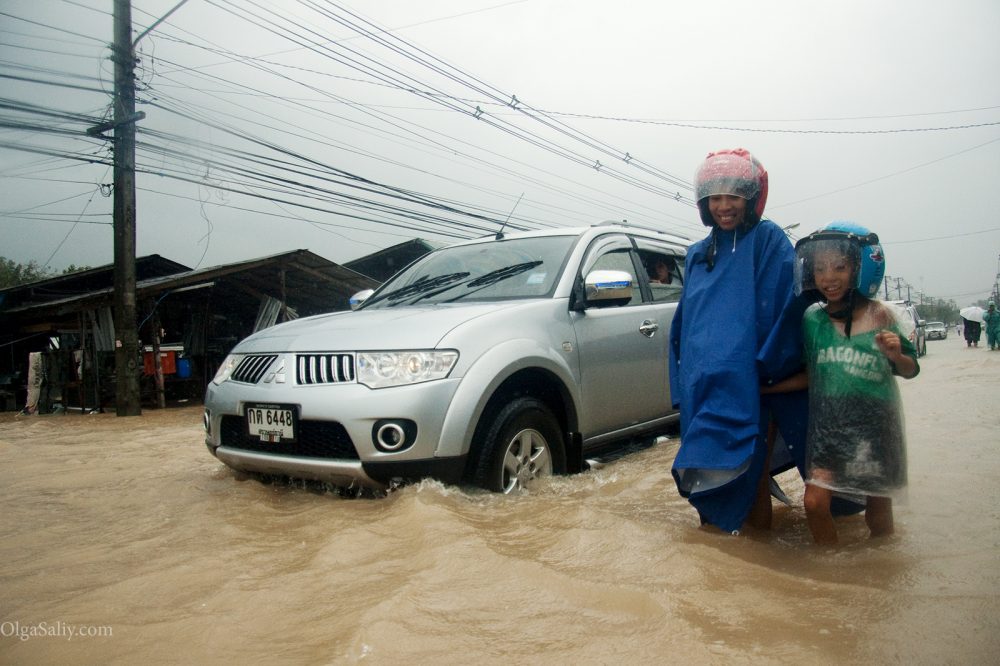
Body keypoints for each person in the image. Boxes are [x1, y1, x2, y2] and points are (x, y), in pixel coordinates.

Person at [669, 148, 808, 534]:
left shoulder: (769, 240)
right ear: (703, 202)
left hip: (752, 387)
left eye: (733, 196)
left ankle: (757, 561)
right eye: (715, 196)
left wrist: (759, 374)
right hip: (706, 390)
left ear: (750, 198)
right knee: (700, 472)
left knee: (753, 476)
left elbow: (780, 311)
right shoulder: (698, 254)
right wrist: (686, 382)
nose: (724, 206)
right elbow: (687, 326)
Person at [793, 223, 919, 545]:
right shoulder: (811, 319)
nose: (828, 277)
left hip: (875, 422)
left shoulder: (882, 316)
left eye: (839, 267)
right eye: (819, 269)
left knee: (877, 512)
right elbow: (813, 373)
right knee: (814, 503)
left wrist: (895, 354)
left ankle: (881, 573)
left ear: (860, 268)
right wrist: (765, 389)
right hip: (829, 426)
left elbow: (909, 370)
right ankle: (830, 572)